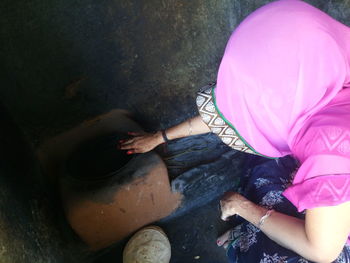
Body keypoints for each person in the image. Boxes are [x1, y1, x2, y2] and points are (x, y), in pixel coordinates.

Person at [120, 0, 350, 262]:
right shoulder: (331, 56)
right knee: (264, 161)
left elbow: (322, 251)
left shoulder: (331, 150)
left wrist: (244, 208)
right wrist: (160, 137)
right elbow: (233, 114)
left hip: (333, 234)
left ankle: (250, 236)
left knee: (276, 252)